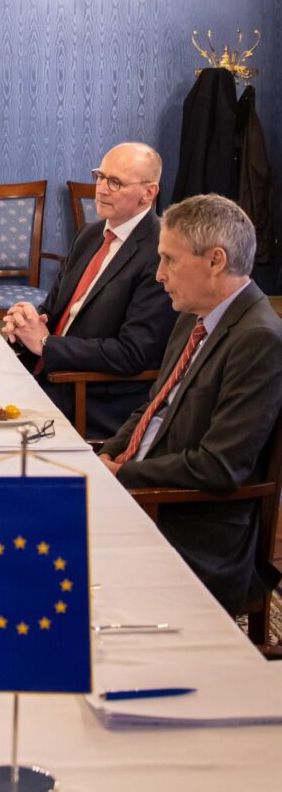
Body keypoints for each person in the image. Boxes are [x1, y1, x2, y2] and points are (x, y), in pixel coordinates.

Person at [99, 194, 282, 612]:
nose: (159, 274)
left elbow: (221, 466)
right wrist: (108, 454)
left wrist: (123, 474)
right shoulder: (192, 316)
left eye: (169, 260)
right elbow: (152, 407)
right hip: (145, 491)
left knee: (47, 548)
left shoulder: (259, 339)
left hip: (190, 524)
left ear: (215, 260)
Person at [2, 142, 177, 439]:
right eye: (100, 176)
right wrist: (25, 323)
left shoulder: (160, 250)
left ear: (149, 193)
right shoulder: (90, 234)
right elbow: (53, 310)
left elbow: (132, 353)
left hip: (90, 395)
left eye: (116, 182)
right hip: (46, 373)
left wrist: (46, 345)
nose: (102, 189)